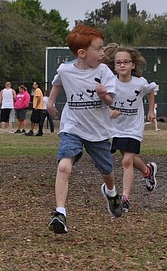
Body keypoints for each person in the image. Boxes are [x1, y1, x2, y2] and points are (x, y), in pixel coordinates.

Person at [46, 24, 121, 234]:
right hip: (73, 127)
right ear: (82, 53)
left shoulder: (104, 72)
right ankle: (60, 212)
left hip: (98, 131)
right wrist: (50, 102)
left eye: (102, 48)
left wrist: (103, 94)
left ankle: (111, 193)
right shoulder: (65, 70)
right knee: (63, 166)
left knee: (107, 170)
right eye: (98, 49)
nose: (102, 53)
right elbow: (58, 82)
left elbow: (110, 102)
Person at [101, 44, 159, 213]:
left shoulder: (139, 83)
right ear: (114, 66)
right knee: (128, 159)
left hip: (134, 127)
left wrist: (150, 110)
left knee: (126, 161)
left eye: (126, 62)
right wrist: (110, 111)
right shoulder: (111, 83)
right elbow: (104, 99)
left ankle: (125, 198)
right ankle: (148, 171)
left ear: (133, 65)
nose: (122, 65)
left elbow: (151, 90)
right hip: (117, 128)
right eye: (118, 62)